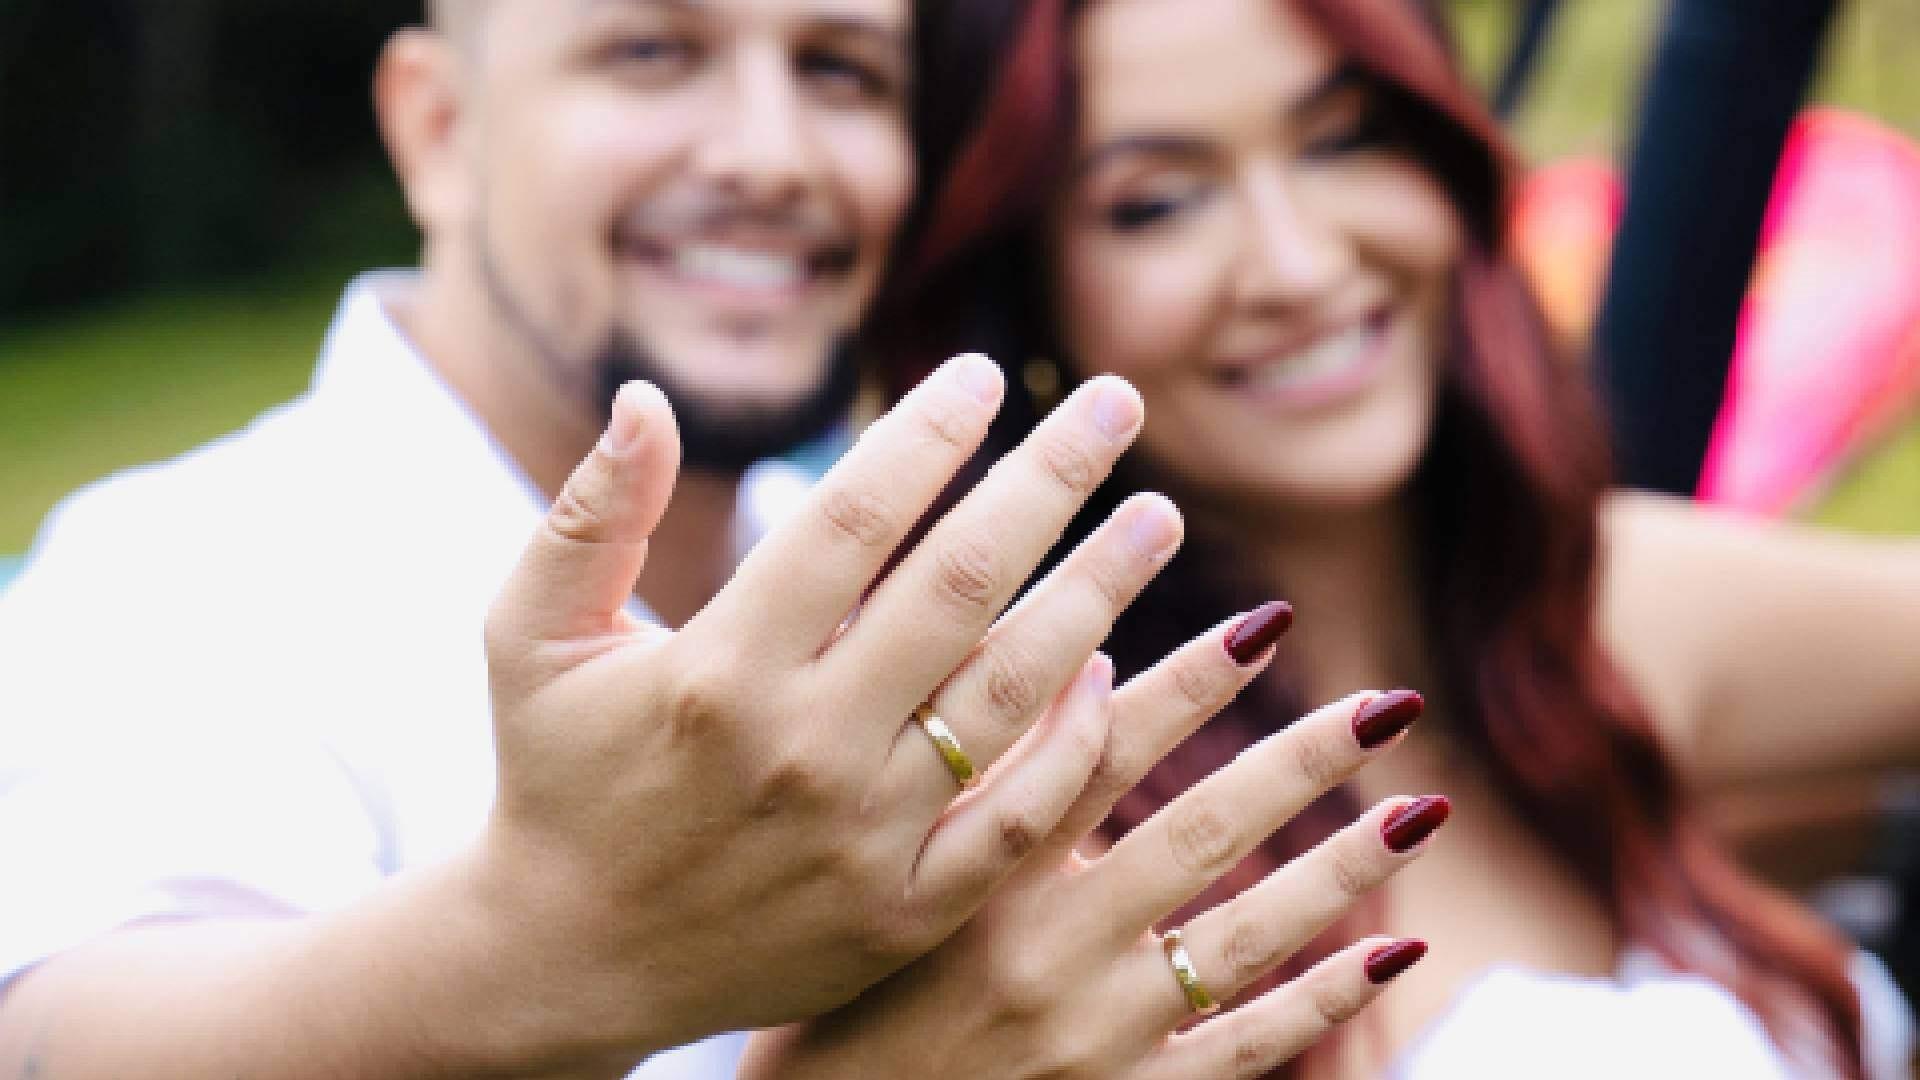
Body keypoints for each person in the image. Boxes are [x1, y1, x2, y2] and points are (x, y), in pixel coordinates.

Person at [0, 0, 1436, 1076]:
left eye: (840, 69)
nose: (772, 155)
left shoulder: (934, 591)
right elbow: (73, 1031)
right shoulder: (166, 578)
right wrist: (551, 941)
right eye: (651, 51)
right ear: (439, 129)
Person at [740, 0, 1920, 1076]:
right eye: (1159, 201)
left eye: (1344, 137)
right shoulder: (1016, 827)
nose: (1299, 266)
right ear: (1021, 288)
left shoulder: (1602, 615)